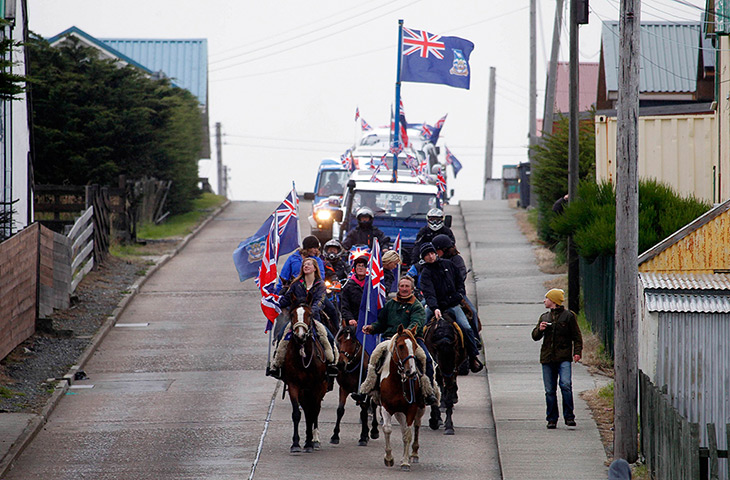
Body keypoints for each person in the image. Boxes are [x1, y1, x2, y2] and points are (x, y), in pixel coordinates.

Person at [359, 276, 437, 405]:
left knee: (426, 359)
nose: (404, 289)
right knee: (373, 358)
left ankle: (428, 391)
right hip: (390, 339)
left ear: (412, 289)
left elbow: (416, 322)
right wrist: (372, 328)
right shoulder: (390, 304)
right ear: (398, 287)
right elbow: (382, 323)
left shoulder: (417, 306)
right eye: (402, 286)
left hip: (411, 340)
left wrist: (405, 334)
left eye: (407, 286)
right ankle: (367, 390)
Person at [267, 257, 339, 380]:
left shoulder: (320, 285)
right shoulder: (296, 284)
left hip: (313, 318)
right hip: (296, 320)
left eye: (309, 265)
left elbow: (319, 302)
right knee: (281, 336)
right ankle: (277, 365)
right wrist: (272, 301)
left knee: (329, 337)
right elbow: (286, 299)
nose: (306, 266)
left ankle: (332, 364)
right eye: (304, 265)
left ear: (315, 268)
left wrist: (310, 312)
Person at [418, 242, 484, 373]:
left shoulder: (449, 265)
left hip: (452, 305)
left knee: (466, 327)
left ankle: (473, 356)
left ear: (436, 253)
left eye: (432, 253)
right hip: (435, 307)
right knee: (420, 327)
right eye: (427, 255)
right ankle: (417, 358)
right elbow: (429, 292)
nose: (430, 257)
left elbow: (459, 282)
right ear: (423, 258)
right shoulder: (425, 273)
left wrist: (458, 295)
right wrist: (435, 307)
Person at [531, 288, 583, 429]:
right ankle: (552, 419)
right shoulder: (544, 317)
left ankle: (569, 417)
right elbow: (535, 336)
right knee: (549, 390)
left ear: (553, 301)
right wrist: (540, 330)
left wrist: (577, 352)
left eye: (547, 298)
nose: (544, 301)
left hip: (563, 357)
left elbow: (577, 337)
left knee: (565, 385)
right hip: (547, 359)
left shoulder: (568, 317)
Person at [432, 234, 481, 346]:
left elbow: (460, 277)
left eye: (437, 250)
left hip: (455, 296)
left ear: (444, 249)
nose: (435, 253)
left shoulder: (457, 260)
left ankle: (474, 338)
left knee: (472, 312)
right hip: (436, 296)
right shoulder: (434, 260)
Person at [340, 254, 369, 326]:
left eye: (363, 266)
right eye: (358, 265)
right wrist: (350, 319)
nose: (360, 268)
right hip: (354, 322)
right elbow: (344, 306)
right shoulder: (348, 286)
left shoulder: (372, 285)